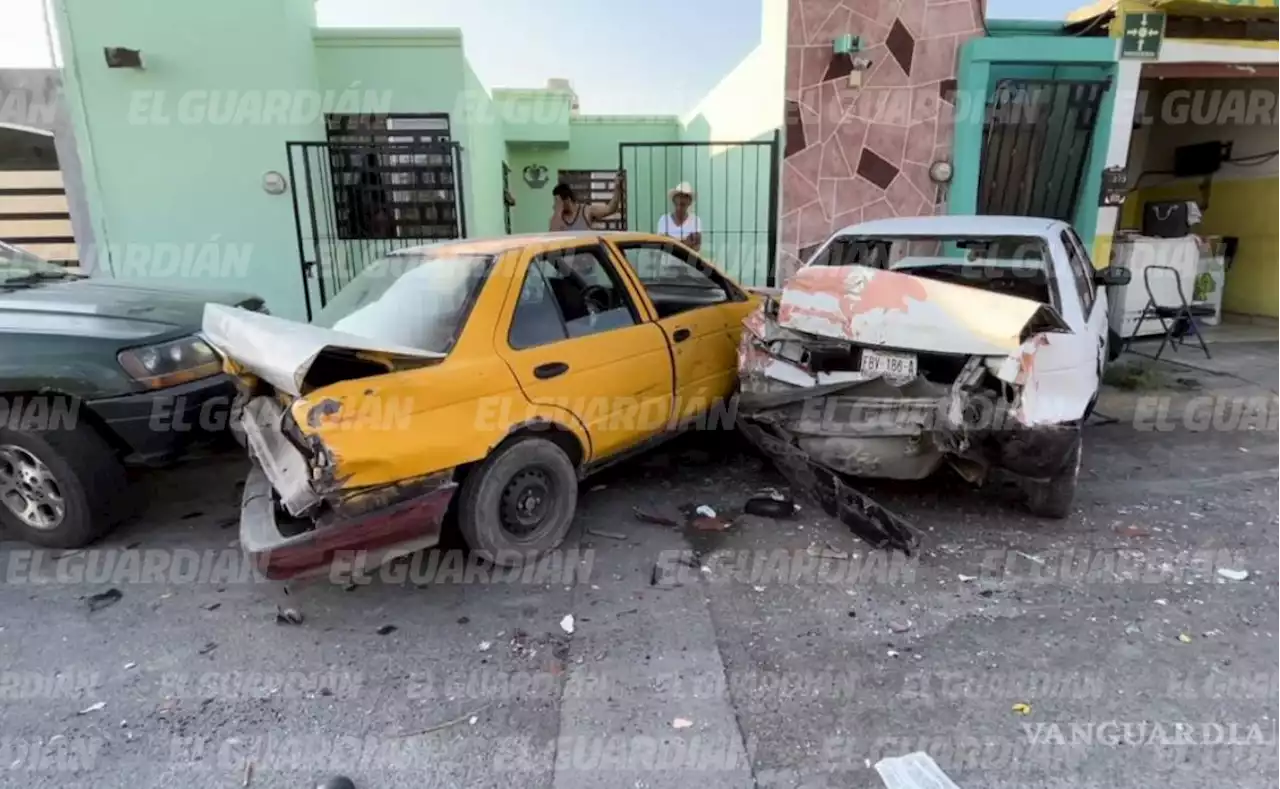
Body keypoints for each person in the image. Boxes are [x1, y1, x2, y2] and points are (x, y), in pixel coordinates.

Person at [549, 172, 625, 231]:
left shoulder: (586, 211)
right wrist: (558, 212)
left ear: (567, 200)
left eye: (557, 201)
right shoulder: (558, 217)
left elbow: (610, 209)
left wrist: (617, 188)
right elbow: (552, 236)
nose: (555, 205)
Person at [656, 182, 702, 251]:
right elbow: (661, 243)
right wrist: (686, 242)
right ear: (674, 200)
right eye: (680, 196)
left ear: (690, 202)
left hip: (688, 261)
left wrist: (670, 240)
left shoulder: (696, 221)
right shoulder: (664, 220)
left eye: (686, 196)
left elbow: (696, 247)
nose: (682, 199)